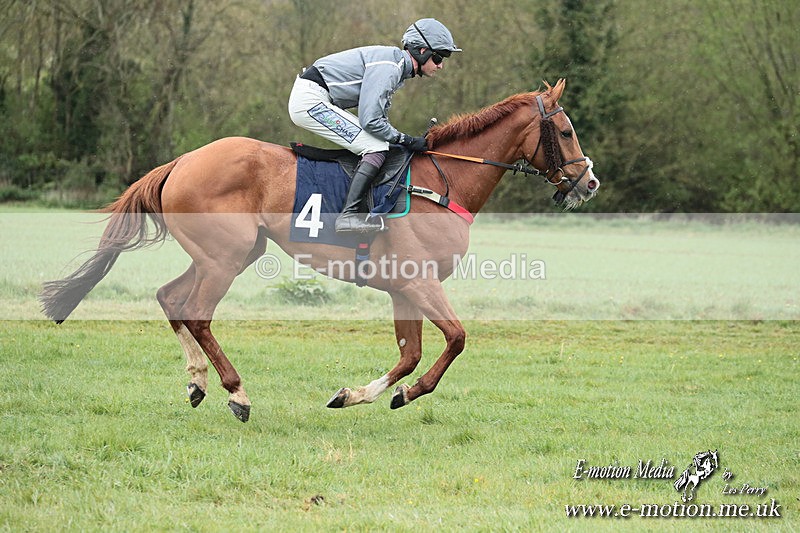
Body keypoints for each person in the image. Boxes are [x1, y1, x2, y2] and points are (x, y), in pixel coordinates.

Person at [288, 18, 461, 233]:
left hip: (316, 97)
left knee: (380, 143)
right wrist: (405, 139)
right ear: (422, 50)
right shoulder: (390, 66)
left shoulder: (395, 66)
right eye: (438, 57)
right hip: (310, 101)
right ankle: (348, 217)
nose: (440, 65)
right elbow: (370, 120)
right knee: (375, 146)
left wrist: (398, 139)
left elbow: (379, 120)